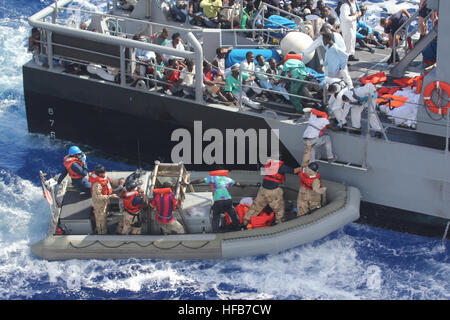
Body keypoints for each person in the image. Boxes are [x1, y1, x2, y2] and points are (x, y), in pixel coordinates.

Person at [244, 157, 301, 225]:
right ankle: (279, 222)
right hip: (273, 191)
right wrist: (302, 168)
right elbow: (294, 171)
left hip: (263, 189)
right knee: (279, 209)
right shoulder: (282, 167)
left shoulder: (269, 164)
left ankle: (246, 221)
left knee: (256, 206)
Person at [296, 140, 327, 216]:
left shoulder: (304, 169)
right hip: (312, 194)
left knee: (301, 208)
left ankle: (301, 218)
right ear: (316, 171)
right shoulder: (315, 180)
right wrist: (323, 190)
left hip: (302, 190)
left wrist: (308, 148)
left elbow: (305, 159)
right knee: (315, 210)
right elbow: (316, 190)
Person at [88, 165, 120, 235]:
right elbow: (97, 196)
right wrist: (110, 196)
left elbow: (109, 182)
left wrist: (119, 182)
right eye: (103, 173)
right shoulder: (97, 184)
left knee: (104, 215)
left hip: (105, 200)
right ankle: (102, 233)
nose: (104, 173)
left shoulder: (104, 177)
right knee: (100, 220)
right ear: (99, 174)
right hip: (99, 203)